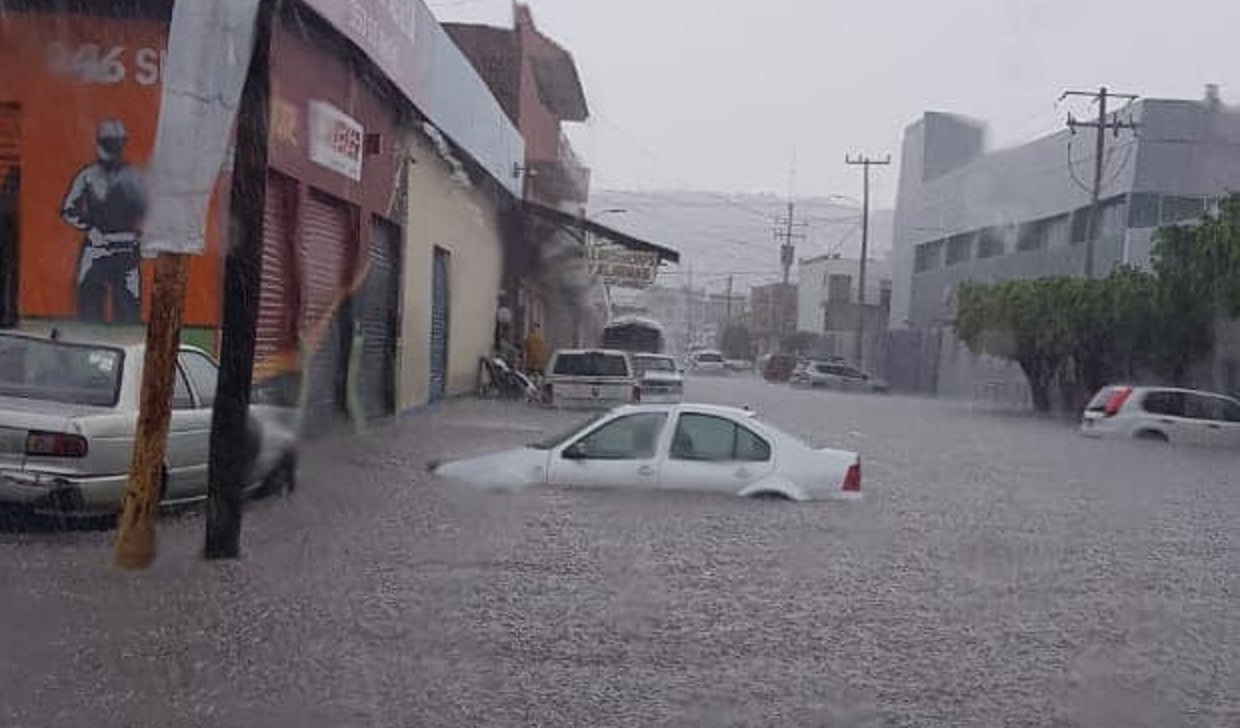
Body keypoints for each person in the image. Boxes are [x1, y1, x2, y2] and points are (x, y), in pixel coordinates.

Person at [60, 119, 148, 324]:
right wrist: (90, 228)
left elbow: (150, 209)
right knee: (88, 307)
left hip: (126, 250)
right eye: (109, 142)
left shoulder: (134, 176)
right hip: (96, 248)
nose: (113, 147)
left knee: (128, 310)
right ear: (100, 143)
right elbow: (68, 210)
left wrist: (140, 235)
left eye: (117, 142)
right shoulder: (87, 176)